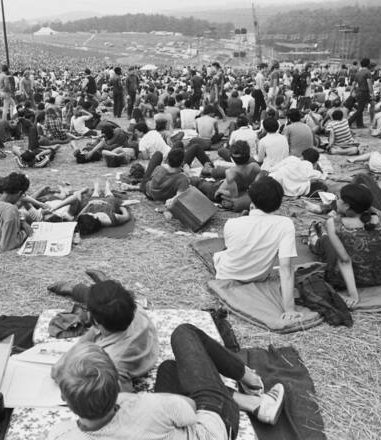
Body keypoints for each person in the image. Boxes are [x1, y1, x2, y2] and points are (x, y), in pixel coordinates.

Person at [48, 338, 284, 440]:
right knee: (183, 333)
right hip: (216, 430)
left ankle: (247, 400)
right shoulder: (151, 406)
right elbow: (190, 411)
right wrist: (131, 399)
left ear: (64, 398)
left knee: (170, 369)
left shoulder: (60, 434)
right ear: (116, 383)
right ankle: (253, 389)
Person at [48, 277, 159, 392]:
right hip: (121, 327)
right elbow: (91, 334)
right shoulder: (134, 310)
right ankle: (77, 289)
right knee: (104, 300)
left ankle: (78, 289)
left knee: (99, 301)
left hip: (123, 357)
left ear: (95, 322)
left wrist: (63, 370)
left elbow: (121, 396)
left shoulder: (109, 363)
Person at [213, 177, 302, 320]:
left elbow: (233, 248)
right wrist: (289, 308)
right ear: (278, 203)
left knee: (224, 251)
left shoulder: (231, 223)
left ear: (251, 200)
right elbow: (286, 268)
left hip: (227, 273)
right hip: (258, 275)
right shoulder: (285, 224)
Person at [308, 183, 381, 307]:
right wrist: (365, 206)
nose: (336, 200)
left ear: (347, 206)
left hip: (343, 281)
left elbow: (345, 261)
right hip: (379, 277)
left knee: (319, 232)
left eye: (338, 198)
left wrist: (353, 294)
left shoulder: (335, 224)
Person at [0, 172, 33, 251]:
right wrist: (25, 232)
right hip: (0, 231)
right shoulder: (10, 210)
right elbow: (7, 245)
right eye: (23, 195)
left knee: (23, 213)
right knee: (26, 215)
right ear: (19, 193)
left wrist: (22, 222)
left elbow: (2, 208)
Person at [348, 58, 374, 129]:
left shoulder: (358, 72)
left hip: (358, 92)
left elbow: (354, 84)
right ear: (368, 64)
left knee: (361, 107)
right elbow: (369, 84)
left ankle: (360, 124)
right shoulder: (367, 72)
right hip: (364, 92)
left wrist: (351, 92)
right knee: (360, 109)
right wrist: (372, 93)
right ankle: (349, 122)